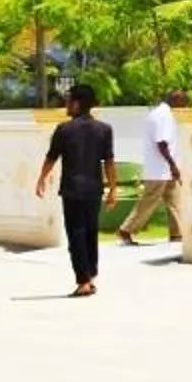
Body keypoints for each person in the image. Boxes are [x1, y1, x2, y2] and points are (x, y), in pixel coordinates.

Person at [34, 82, 118, 297]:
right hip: (94, 189)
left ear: (78, 104)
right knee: (90, 233)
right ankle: (90, 276)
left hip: (71, 189)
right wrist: (113, 189)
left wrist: (42, 178)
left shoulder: (64, 130)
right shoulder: (104, 130)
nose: (66, 105)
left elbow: (51, 157)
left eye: (69, 101)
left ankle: (83, 281)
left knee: (76, 235)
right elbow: (109, 162)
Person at [116, 89, 188, 245]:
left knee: (175, 200)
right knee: (149, 201)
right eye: (183, 103)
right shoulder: (164, 115)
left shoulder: (159, 113)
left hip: (164, 169)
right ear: (176, 100)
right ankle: (125, 230)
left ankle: (178, 233)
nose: (183, 107)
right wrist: (173, 165)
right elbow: (161, 143)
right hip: (160, 169)